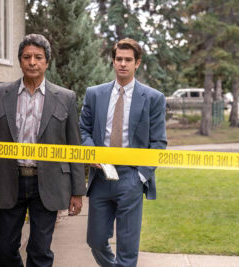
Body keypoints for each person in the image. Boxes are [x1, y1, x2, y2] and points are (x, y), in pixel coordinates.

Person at [0, 34, 86, 267]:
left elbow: (73, 146)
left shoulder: (65, 98)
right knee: (4, 250)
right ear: (19, 61)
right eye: (27, 57)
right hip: (8, 181)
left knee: (40, 252)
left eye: (38, 57)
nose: (32, 62)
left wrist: (77, 191)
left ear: (47, 62)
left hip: (47, 184)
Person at [79, 38, 167, 267]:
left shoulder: (154, 98)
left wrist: (140, 177)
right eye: (119, 59)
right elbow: (83, 130)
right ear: (113, 61)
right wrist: (92, 153)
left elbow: (158, 143)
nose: (123, 64)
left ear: (137, 63)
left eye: (128, 60)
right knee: (96, 240)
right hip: (100, 177)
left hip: (131, 178)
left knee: (128, 248)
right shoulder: (94, 94)